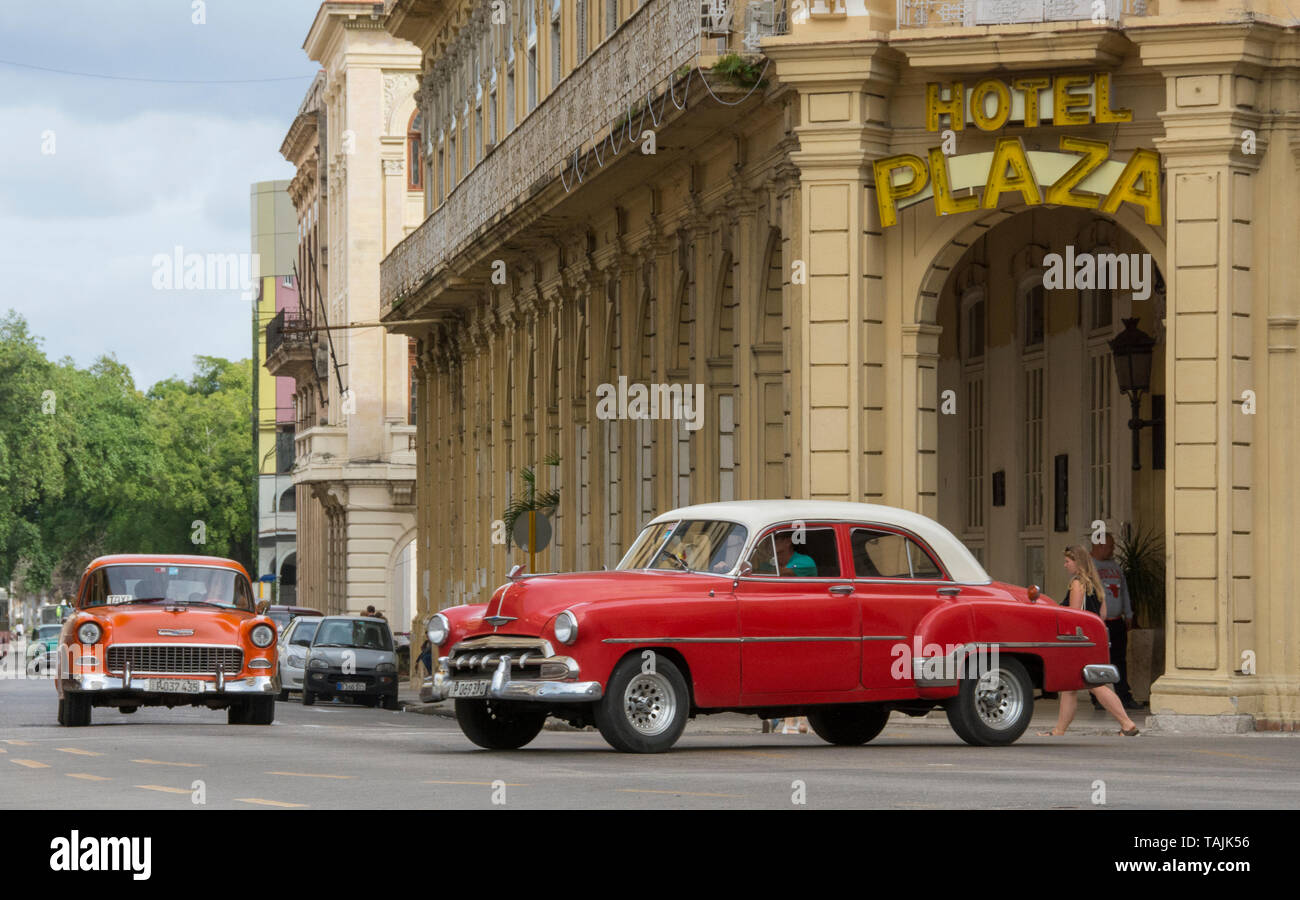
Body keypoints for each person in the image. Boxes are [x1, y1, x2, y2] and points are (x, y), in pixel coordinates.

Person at [1038, 545, 1140, 737]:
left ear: (1078, 563)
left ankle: (1127, 724)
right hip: (1093, 638)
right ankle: (1059, 730)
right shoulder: (1096, 585)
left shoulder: (1077, 584)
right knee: (1071, 687)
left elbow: (1074, 614)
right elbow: (1102, 614)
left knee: (1095, 685)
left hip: (1079, 641)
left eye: (1068, 561)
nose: (1065, 565)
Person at [1091, 535, 1144, 710]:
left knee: (1120, 660)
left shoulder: (1115, 566)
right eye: (1110, 547)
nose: (1113, 550)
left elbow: (1124, 591)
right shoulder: (1090, 567)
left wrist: (1128, 614)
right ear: (1098, 546)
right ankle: (1098, 697)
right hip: (1099, 623)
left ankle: (1124, 696)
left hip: (1117, 622)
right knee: (1098, 660)